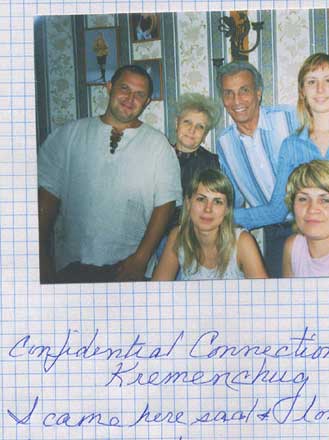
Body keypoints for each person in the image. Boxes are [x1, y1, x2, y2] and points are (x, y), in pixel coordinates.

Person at [216, 61, 329, 278]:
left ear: (258, 92)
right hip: (286, 234)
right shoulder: (225, 143)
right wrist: (215, 215)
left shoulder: (293, 118)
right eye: (228, 93)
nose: (237, 100)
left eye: (244, 90)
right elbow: (238, 201)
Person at [38, 64, 181, 284]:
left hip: (129, 269)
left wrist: (140, 260)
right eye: (124, 88)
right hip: (71, 267)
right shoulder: (68, 135)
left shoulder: (158, 145)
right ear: (109, 87)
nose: (130, 98)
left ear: (146, 102)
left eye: (139, 94)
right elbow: (45, 200)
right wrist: (41, 259)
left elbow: (166, 205)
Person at [152, 168, 268, 281]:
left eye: (217, 202)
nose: (208, 209)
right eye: (201, 199)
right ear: (188, 203)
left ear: (227, 210)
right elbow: (157, 290)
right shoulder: (178, 236)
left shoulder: (242, 242)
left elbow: (265, 293)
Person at [174, 93, 221, 197]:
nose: (192, 130)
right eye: (187, 122)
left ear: (205, 135)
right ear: (177, 124)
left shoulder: (212, 163)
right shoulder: (160, 155)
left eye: (200, 126)